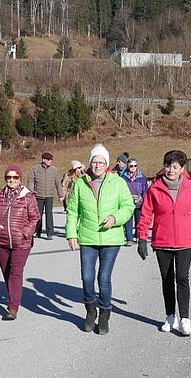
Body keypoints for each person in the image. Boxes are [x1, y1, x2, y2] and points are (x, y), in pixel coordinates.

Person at [137, 150, 191, 336]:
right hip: (163, 241)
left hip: (185, 241)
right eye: (168, 166)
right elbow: (146, 214)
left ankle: (185, 319)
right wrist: (142, 238)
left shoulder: (190, 188)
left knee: (182, 278)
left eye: (175, 167)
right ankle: (170, 316)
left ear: (182, 168)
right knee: (167, 280)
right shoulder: (155, 188)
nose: (171, 170)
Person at [66, 144, 135, 335]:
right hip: (87, 237)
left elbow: (128, 206)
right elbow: (72, 211)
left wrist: (115, 218)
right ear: (90, 163)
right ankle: (90, 310)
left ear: (107, 164)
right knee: (87, 277)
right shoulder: (81, 183)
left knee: (103, 278)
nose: (97, 165)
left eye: (101, 162)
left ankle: (104, 313)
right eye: (94, 162)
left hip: (111, 238)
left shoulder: (117, 182)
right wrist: (71, 233)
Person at [0, 165, 40, 320]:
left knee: (16, 272)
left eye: (15, 177)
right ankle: (13, 296)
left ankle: (13, 307)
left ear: (20, 179)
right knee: (6, 272)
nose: (12, 180)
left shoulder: (28, 196)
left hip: (21, 243)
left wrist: (25, 233)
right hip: (1, 242)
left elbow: (35, 218)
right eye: (9, 177)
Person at [27, 152, 63, 239]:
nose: (50, 161)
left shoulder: (54, 170)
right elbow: (31, 182)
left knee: (49, 214)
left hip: (49, 195)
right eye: (48, 159)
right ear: (43, 160)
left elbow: (58, 183)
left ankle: (49, 233)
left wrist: (61, 195)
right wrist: (30, 194)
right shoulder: (35, 169)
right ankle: (37, 231)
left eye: (51, 159)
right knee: (37, 215)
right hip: (38, 195)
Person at [121, 157, 148, 245]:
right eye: (131, 166)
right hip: (127, 202)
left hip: (139, 202)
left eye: (135, 166)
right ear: (128, 166)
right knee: (128, 221)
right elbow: (121, 191)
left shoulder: (142, 177)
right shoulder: (123, 178)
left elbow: (145, 190)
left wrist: (143, 200)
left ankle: (137, 236)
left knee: (139, 220)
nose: (133, 167)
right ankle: (129, 239)